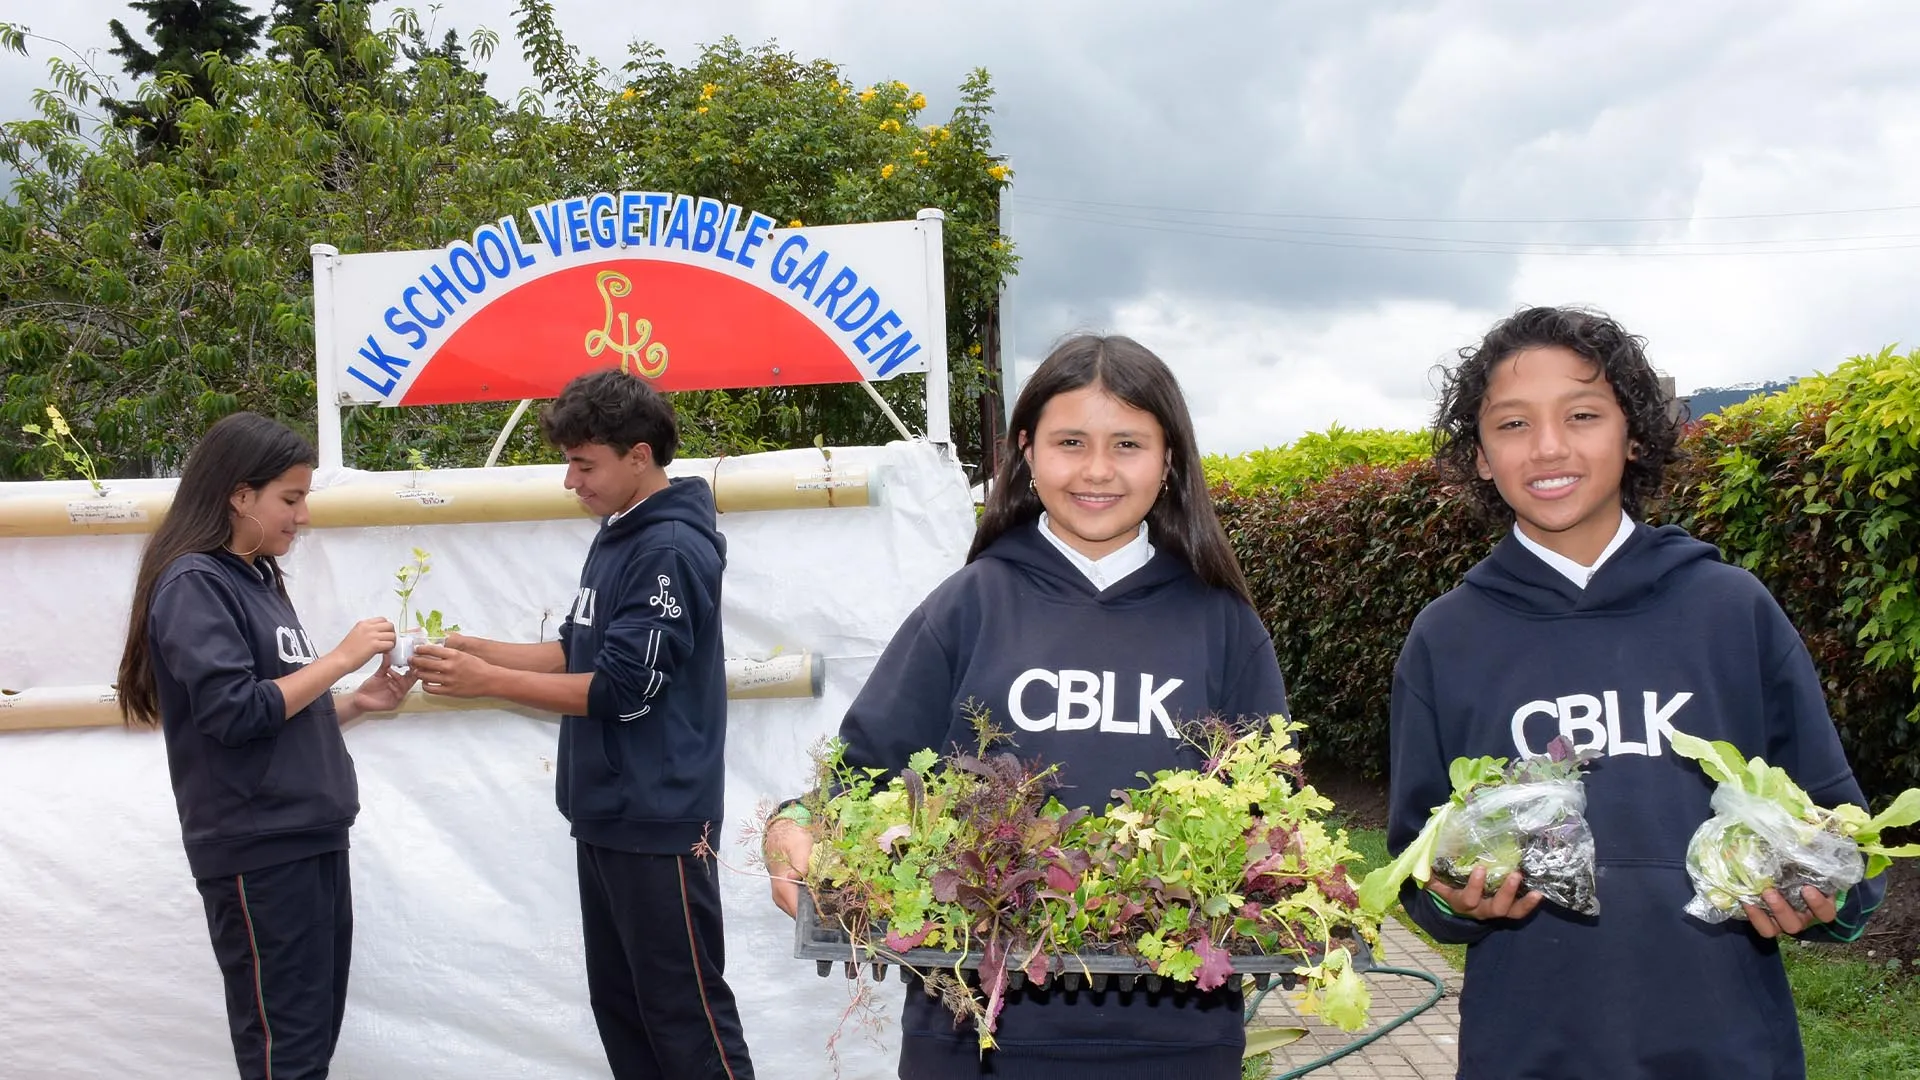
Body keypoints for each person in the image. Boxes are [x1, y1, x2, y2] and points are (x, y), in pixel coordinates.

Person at [763, 334, 1290, 1080]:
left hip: (1177, 1034)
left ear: (1169, 459)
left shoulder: (1222, 624)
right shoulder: (967, 607)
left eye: (1129, 444)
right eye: (1070, 441)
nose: (1098, 470)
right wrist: (794, 821)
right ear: (1026, 452)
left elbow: (1272, 818)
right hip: (976, 1031)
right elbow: (862, 775)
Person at [1387, 306, 1884, 1080]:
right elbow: (1417, 865)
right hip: (1527, 1051)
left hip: (1728, 1051)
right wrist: (1455, 898)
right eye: (1513, 424)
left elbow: (1842, 837)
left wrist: (1829, 898)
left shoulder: (1731, 610)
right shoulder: (1447, 638)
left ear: (1634, 435)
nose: (1549, 446)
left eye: (1582, 415)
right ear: (1480, 455)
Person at [409, 369, 754, 1080]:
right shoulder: (619, 532)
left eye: (582, 463)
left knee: (684, 1020)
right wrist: (477, 650)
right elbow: (578, 647)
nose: (572, 481)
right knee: (624, 1013)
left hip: (658, 819)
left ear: (639, 456)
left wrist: (487, 683)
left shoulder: (668, 550)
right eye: (568, 461)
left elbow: (625, 689)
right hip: (606, 815)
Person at [117, 411, 413, 1080]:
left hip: (305, 837)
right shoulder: (197, 582)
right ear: (239, 495)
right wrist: (339, 659)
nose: (302, 516)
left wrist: (357, 703)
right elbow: (234, 712)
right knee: (286, 1052)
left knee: (306, 1043)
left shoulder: (253, 578)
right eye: (291, 498)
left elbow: (274, 714)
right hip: (260, 850)